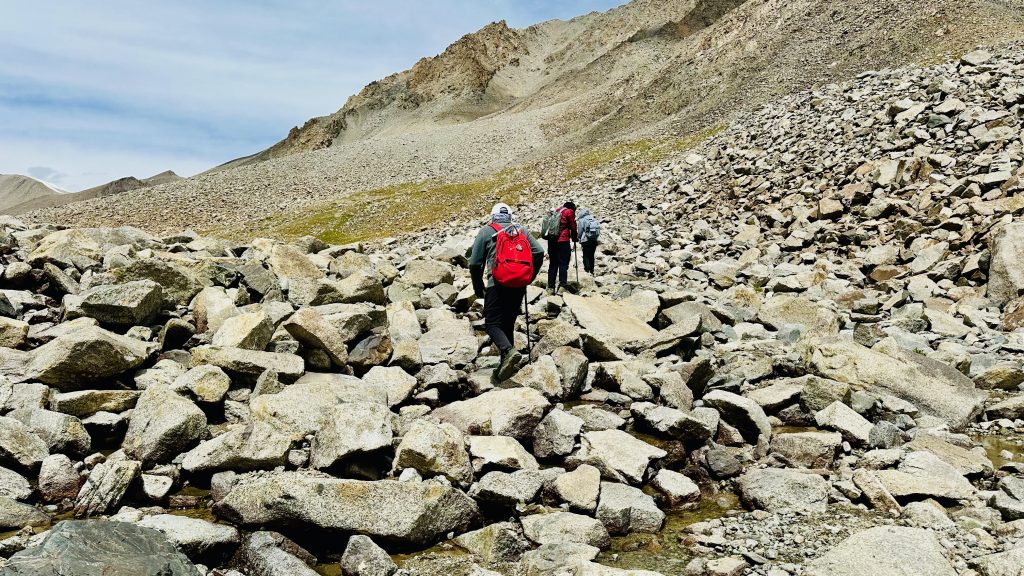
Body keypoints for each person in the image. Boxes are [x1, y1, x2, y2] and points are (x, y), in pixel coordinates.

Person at [469, 203, 545, 382]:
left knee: (492, 324)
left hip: (496, 283)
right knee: (508, 324)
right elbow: (539, 251)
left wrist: (477, 285)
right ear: (510, 216)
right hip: (518, 284)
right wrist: (529, 277)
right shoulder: (521, 231)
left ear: (493, 215)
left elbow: (474, 263)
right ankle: (507, 368)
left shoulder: (486, 232)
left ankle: (508, 351)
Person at [546, 201, 578, 293]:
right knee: (563, 263)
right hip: (563, 241)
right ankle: (562, 286)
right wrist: (575, 239)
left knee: (553, 264)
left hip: (552, 241)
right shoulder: (569, 212)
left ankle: (550, 287)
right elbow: (573, 226)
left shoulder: (556, 211)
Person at [576, 207, 600, 274]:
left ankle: (587, 270)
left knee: (586, 255)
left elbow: (580, 231)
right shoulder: (593, 218)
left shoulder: (582, 220)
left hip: (585, 240)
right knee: (591, 255)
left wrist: (579, 237)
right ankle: (592, 271)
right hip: (593, 240)